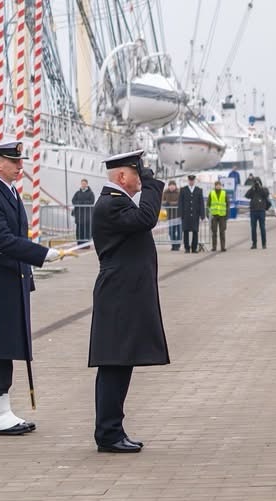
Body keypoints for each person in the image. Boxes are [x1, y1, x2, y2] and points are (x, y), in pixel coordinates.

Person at [0, 141, 74, 435]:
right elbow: (2, 240)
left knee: (8, 346)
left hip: (13, 279)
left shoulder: (10, 193)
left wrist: (28, 275)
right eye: (14, 161)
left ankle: (3, 411)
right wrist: (42, 254)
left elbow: (17, 237)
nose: (19, 166)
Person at [88, 149, 168, 453]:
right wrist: (153, 183)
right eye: (138, 174)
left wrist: (145, 179)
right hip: (118, 295)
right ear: (122, 176)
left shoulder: (117, 203)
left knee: (120, 364)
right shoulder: (111, 204)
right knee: (114, 364)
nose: (141, 180)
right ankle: (108, 433)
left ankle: (112, 429)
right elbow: (147, 218)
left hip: (124, 294)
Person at [179, 174, 204, 253]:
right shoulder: (183, 190)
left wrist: (202, 215)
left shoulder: (198, 190)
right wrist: (180, 214)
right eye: (190, 180)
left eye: (192, 181)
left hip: (195, 214)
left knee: (195, 231)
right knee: (185, 231)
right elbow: (180, 203)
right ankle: (187, 248)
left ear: (194, 181)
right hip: (186, 214)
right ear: (188, 181)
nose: (191, 182)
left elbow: (201, 203)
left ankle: (194, 248)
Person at [245, 177, 270, 249]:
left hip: (261, 211)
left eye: (257, 182)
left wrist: (260, 187)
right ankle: (254, 244)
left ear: (260, 182)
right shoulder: (253, 190)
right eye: (255, 182)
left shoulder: (264, 189)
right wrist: (252, 188)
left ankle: (264, 244)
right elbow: (247, 195)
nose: (256, 183)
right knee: (253, 228)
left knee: (262, 228)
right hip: (253, 211)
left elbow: (266, 194)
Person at [71, 178, 95, 244]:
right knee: (79, 230)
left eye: (84, 184)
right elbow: (73, 201)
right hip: (79, 216)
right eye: (82, 184)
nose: (83, 185)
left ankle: (86, 244)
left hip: (87, 216)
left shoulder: (91, 193)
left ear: (87, 184)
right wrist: (80, 203)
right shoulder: (77, 193)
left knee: (87, 230)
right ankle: (79, 243)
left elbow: (92, 201)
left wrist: (82, 203)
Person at [207, 180, 229, 251]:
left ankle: (223, 247)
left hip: (222, 215)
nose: (218, 186)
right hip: (214, 215)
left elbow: (227, 204)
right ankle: (214, 247)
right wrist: (208, 215)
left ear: (221, 186)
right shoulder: (211, 193)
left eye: (219, 185)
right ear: (215, 186)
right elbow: (208, 205)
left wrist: (227, 215)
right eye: (217, 185)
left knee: (222, 232)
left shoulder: (224, 193)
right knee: (214, 232)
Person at [163, 179, 181, 250]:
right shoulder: (165, 192)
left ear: (175, 186)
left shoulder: (179, 192)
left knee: (179, 231)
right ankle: (173, 245)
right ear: (168, 186)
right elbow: (162, 201)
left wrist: (171, 204)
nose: (172, 187)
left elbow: (180, 202)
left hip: (178, 215)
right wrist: (166, 203)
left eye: (173, 185)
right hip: (170, 215)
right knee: (171, 232)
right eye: (170, 185)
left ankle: (178, 245)